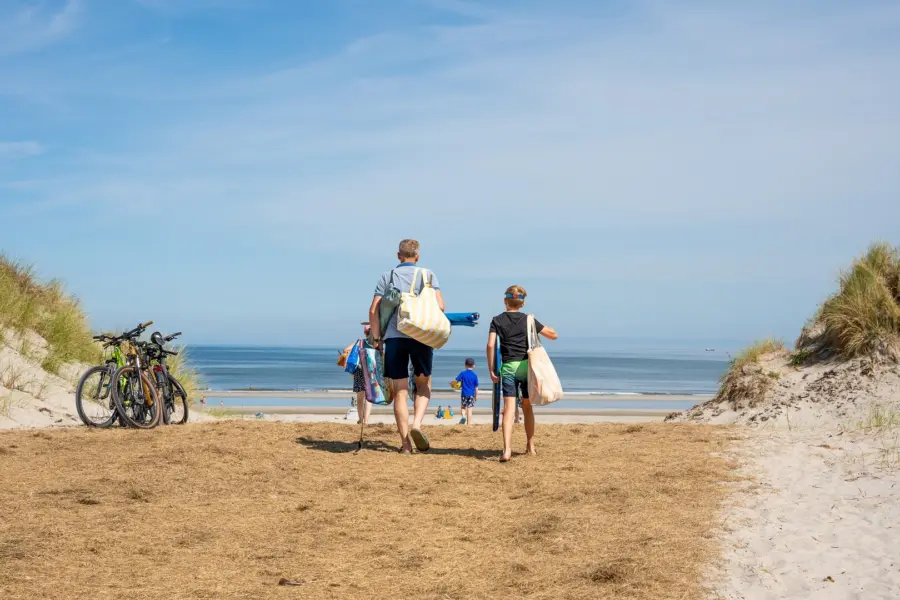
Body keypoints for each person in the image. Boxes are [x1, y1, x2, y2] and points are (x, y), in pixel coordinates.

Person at [368, 239, 444, 454]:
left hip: (394, 338)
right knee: (423, 385)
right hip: (421, 337)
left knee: (400, 391)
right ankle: (417, 425)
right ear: (417, 256)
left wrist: (376, 338)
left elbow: (373, 310)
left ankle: (405, 444)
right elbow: (439, 305)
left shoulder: (388, 276)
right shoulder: (428, 275)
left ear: (398, 255)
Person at [486, 285, 558, 462]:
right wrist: (539, 324)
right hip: (527, 368)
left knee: (509, 410)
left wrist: (491, 370)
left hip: (508, 368)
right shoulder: (529, 320)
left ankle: (507, 450)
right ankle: (530, 446)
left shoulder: (497, 320)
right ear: (523, 303)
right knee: (527, 407)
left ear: (505, 301)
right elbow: (553, 335)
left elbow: (490, 345)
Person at [451, 358, 479, 425]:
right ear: (474, 366)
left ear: (465, 365)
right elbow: (476, 387)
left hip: (464, 394)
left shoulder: (462, 373)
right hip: (471, 395)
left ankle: (463, 417)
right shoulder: (475, 375)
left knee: (463, 407)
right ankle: (469, 424)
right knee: (470, 409)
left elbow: (456, 380)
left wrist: (451, 384)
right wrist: (476, 396)